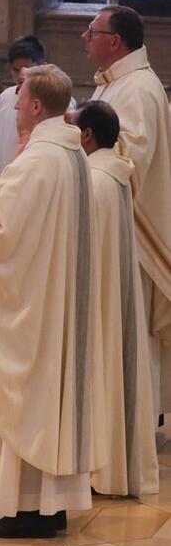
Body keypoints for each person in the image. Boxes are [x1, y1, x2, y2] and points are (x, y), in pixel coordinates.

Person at [0, 65, 96, 539]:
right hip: (53, 299)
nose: (14, 106)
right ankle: (49, 504)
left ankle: (25, 508)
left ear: (36, 106)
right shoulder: (68, 154)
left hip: (31, 307)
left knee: (24, 398)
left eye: (19, 99)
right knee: (47, 401)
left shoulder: (37, 162)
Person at [85, 6, 171, 421]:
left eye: (92, 31)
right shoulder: (116, 83)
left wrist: (75, 140)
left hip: (134, 230)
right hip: (113, 222)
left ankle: (139, 415)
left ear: (115, 41)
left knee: (132, 324)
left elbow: (130, 156)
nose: (85, 38)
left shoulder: (136, 88)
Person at [72, 99, 157, 497]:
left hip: (97, 299)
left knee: (101, 371)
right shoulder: (115, 173)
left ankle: (101, 468)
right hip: (113, 292)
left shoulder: (94, 180)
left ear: (87, 135)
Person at [0, 35, 48, 176]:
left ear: (42, 66)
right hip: (4, 172)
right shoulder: (6, 96)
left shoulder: (54, 98)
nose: (21, 75)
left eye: (27, 69)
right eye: (16, 70)